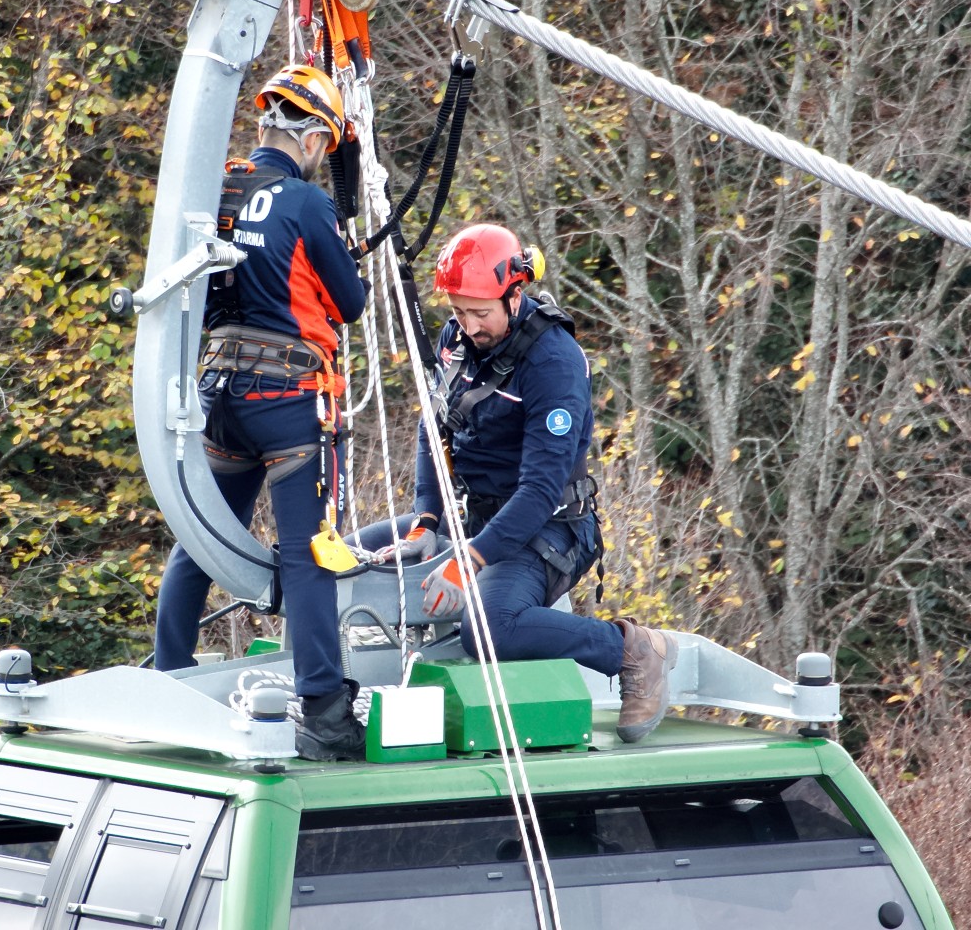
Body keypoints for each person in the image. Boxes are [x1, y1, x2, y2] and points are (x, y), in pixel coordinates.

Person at [375, 223, 678, 743]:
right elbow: (434, 424)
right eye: (457, 312)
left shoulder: (553, 364)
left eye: (480, 312)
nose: (467, 326)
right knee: (347, 561)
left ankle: (629, 649)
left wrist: (466, 560)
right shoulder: (458, 340)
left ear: (514, 294)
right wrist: (427, 519)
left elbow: (539, 491)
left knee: (488, 629)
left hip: (550, 529)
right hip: (471, 517)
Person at [154, 63, 369, 761]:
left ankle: (169, 678)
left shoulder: (220, 189)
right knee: (307, 557)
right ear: (312, 141)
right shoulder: (308, 206)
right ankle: (328, 713)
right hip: (285, 399)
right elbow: (351, 303)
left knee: (204, 537)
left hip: (220, 392)